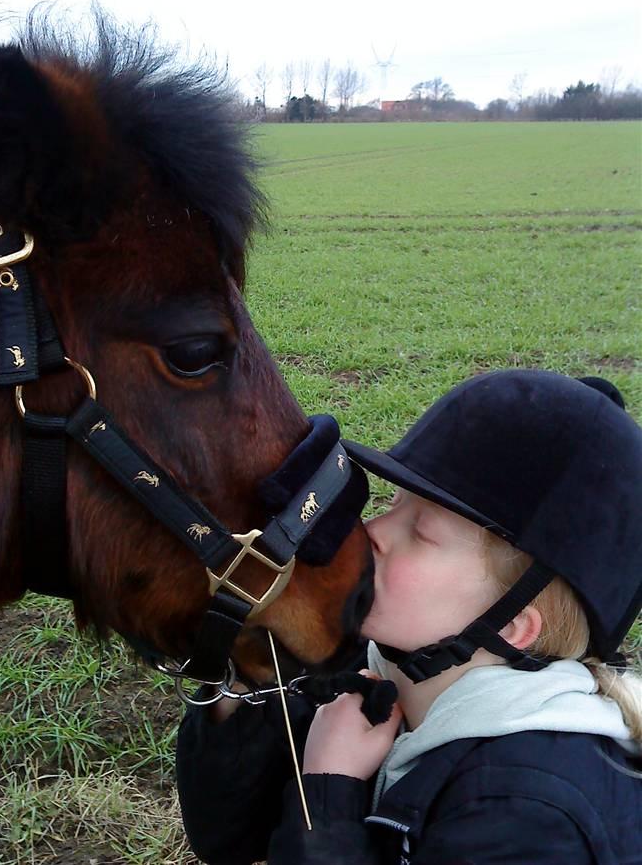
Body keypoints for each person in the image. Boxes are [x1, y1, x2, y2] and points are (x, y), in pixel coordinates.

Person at [177, 369, 642, 864]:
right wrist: (248, 670)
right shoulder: (366, 667)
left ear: (511, 624)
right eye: (391, 505)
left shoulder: (530, 811)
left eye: (421, 533)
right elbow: (224, 837)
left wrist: (329, 795)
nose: (372, 532)